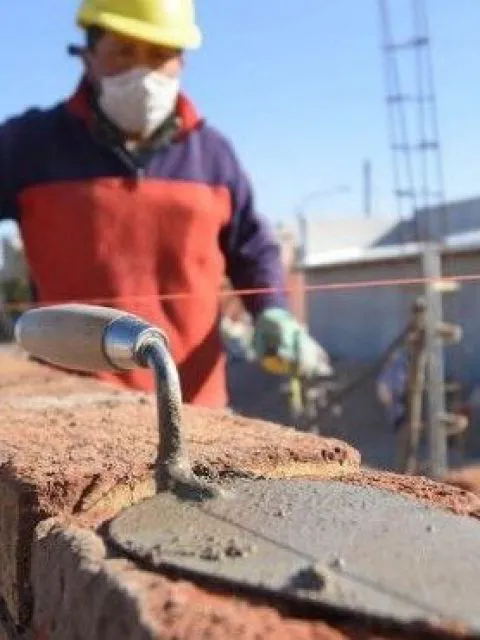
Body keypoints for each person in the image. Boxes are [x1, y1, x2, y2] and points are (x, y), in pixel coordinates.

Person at [0, 0, 327, 406]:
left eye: (159, 55)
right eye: (124, 52)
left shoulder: (213, 155)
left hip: (195, 407)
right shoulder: (28, 146)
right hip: (70, 407)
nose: (143, 73)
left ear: (181, 62)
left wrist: (272, 309)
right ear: (88, 56)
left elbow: (251, 246)